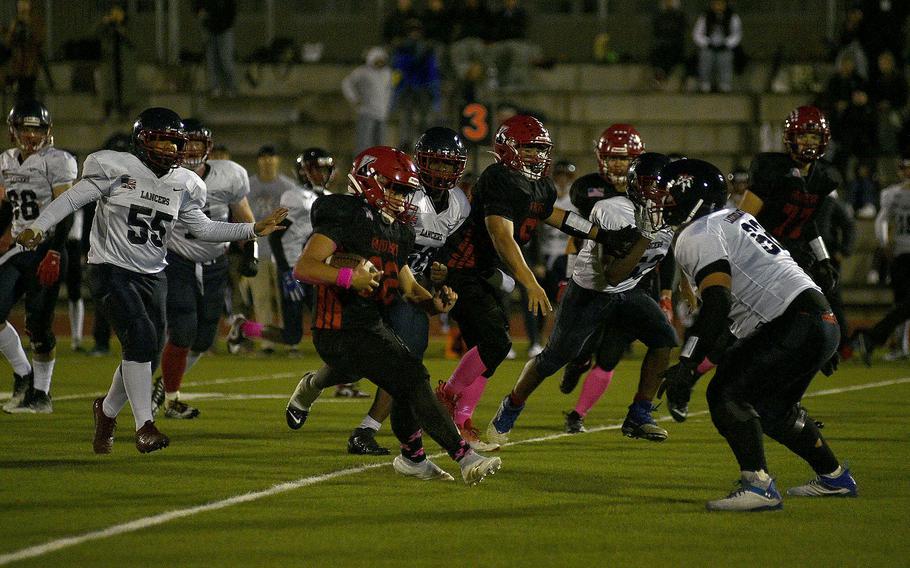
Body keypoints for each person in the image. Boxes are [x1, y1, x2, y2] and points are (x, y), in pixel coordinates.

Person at [15, 107, 286, 454]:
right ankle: (145, 425)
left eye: (172, 142)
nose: (167, 149)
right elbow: (71, 198)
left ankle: (107, 411)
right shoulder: (115, 167)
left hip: (153, 274)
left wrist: (251, 229)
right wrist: (37, 226)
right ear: (141, 141)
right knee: (141, 339)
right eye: (158, 139)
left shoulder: (184, 184)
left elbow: (202, 228)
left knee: (147, 352)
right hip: (110, 267)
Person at [284, 146, 502, 485]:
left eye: (405, 191)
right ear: (369, 180)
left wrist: (435, 303)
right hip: (337, 328)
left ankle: (413, 457)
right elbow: (305, 266)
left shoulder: (398, 231)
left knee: (404, 382)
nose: (401, 198)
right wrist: (347, 277)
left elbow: (409, 288)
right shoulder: (348, 214)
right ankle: (464, 456)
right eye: (395, 188)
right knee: (412, 375)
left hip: (371, 325)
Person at [655, 159, 856, 511]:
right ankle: (834, 476)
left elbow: (718, 301)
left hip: (793, 318)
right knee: (774, 408)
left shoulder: (698, 232)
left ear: (690, 196)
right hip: (817, 316)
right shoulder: (736, 218)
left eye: (666, 194)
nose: (659, 201)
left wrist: (687, 362)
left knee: (726, 392)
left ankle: (758, 485)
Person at [433, 115, 638, 448]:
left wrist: (602, 235)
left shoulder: (539, 185)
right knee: (494, 343)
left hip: (488, 273)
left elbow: (557, 216)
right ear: (508, 148)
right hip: (464, 268)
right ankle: (447, 398)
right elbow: (502, 236)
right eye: (528, 149)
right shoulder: (499, 178)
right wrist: (530, 282)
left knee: (489, 349)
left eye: (540, 149)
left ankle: (459, 419)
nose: (536, 156)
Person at [486, 151, 677, 445]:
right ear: (638, 185)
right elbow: (612, 274)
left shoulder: (671, 216)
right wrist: (645, 235)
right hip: (590, 293)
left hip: (629, 291)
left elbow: (675, 253)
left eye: (663, 187)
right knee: (553, 359)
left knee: (664, 338)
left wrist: (681, 285)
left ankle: (639, 413)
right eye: (652, 185)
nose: (658, 193)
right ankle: (511, 405)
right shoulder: (614, 209)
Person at [671, 106, 843, 421]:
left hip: (791, 259)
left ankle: (785, 406)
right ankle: (693, 375)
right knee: (732, 333)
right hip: (760, 255)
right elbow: (744, 216)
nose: (807, 143)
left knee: (796, 335)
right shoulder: (771, 168)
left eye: (813, 136)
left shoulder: (824, 176)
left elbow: (808, 222)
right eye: (803, 135)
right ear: (790, 138)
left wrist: (823, 258)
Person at [343, 127, 470, 455]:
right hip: (376, 279)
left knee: (407, 356)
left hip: (408, 288)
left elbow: (441, 251)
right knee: (351, 361)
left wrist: (439, 272)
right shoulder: (405, 191)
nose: (442, 172)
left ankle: (367, 429)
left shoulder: (459, 205)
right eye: (436, 164)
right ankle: (310, 389)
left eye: (448, 165)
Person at [150, 118, 257, 419]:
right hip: (177, 260)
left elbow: (244, 217)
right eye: (189, 142)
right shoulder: (165, 175)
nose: (194, 148)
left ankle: (167, 385)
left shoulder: (230, 175)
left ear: (208, 147)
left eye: (199, 143)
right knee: (182, 329)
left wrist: (252, 251)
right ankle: (170, 397)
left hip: (215, 264)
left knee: (204, 338)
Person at [0, 100, 77, 413]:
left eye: (37, 129)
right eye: (25, 128)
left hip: (48, 246)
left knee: (39, 327)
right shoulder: (5, 160)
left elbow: (66, 209)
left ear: (48, 132)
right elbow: (5, 207)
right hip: (20, 248)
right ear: (13, 130)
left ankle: (41, 393)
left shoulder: (58, 161)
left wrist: (56, 250)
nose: (31, 136)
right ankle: (23, 374)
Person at [228, 148, 330, 354]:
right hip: (294, 268)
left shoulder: (327, 196)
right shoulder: (295, 196)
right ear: (303, 172)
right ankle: (244, 327)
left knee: (325, 319)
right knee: (292, 334)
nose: (322, 175)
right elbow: (276, 236)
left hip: (315, 267)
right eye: (316, 170)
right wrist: (286, 273)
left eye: (325, 170)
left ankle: (336, 357)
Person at [853, 155, 910, 365]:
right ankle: (881, 339)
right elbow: (882, 220)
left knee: (903, 305)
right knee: (902, 304)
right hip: (902, 254)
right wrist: (884, 242)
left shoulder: (894, 194)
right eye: (905, 168)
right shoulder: (893, 194)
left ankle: (876, 338)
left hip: (900, 253)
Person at [238, 145, 295, 354]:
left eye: (271, 157)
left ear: (277, 160)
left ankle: (290, 339)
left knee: (286, 299)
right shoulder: (248, 187)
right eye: (263, 157)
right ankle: (267, 342)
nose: (268, 161)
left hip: (283, 253)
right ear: (259, 161)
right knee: (261, 299)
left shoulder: (288, 187)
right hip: (258, 249)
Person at [341, 48, 393, 153]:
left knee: (381, 144)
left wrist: (388, 107)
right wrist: (354, 99)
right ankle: (361, 166)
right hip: (367, 112)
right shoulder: (362, 72)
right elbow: (346, 83)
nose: (380, 62)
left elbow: (389, 91)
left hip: (382, 114)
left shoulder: (387, 73)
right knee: (364, 143)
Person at [692, 0, 742, 93]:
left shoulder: (733, 17)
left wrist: (726, 44)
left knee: (726, 58)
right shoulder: (705, 16)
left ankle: (725, 84)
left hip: (725, 46)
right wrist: (706, 43)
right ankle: (705, 83)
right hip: (709, 46)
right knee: (705, 56)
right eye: (716, 4)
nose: (718, 6)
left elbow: (737, 34)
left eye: (720, 4)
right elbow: (697, 33)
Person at [194, 0, 238, 97]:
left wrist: (225, 23)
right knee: (212, 61)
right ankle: (215, 87)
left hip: (224, 30)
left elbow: (232, 9)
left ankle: (230, 87)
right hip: (209, 30)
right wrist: (199, 12)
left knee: (226, 60)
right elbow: (197, 6)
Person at [650, 0, 687, 87]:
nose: (668, 3)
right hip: (662, 43)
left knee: (671, 55)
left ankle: (661, 76)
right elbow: (656, 30)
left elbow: (682, 30)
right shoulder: (659, 15)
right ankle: (659, 74)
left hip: (676, 44)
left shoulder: (680, 15)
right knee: (657, 53)